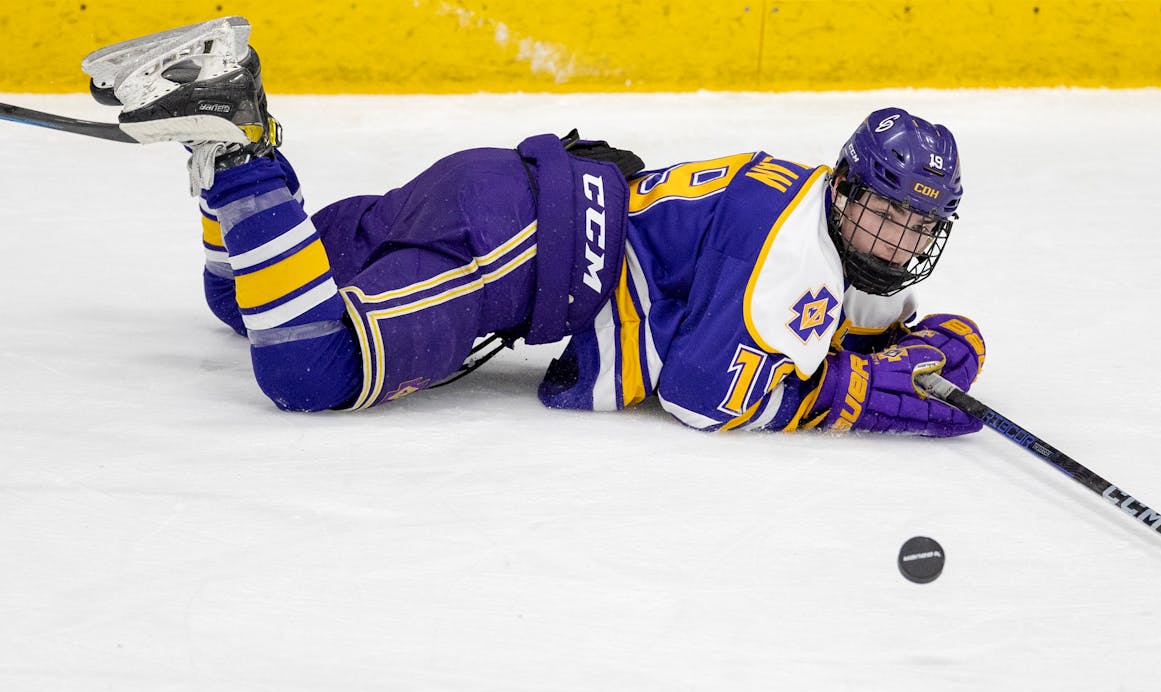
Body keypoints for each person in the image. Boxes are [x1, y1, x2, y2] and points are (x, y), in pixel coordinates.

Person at [83, 16, 987, 437]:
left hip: (507, 189)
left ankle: (222, 137)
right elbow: (705, 396)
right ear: (846, 189)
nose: (892, 242)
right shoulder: (803, 256)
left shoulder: (795, 202)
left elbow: (837, 319)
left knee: (249, 294)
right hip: (519, 251)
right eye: (881, 211)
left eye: (914, 227)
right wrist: (857, 400)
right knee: (310, 367)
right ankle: (239, 142)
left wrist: (945, 337)